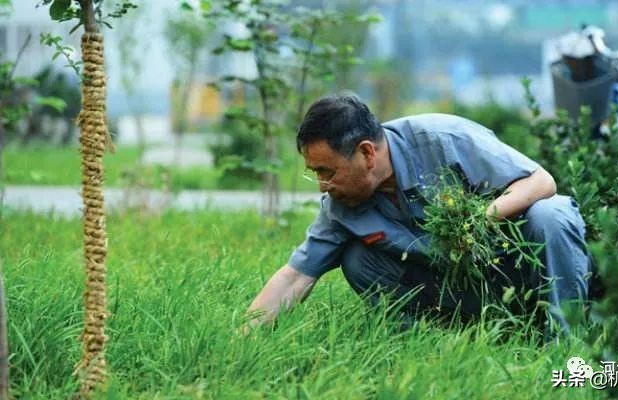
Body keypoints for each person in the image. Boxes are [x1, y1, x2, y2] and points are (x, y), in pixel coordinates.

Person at [243, 92, 591, 334]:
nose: (322, 185)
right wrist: (243, 335)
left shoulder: (443, 138)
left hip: (515, 275)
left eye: (326, 171)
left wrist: (479, 219)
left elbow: (542, 181)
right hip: (459, 297)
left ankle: (565, 343)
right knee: (357, 260)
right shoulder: (341, 205)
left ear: (366, 153)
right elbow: (295, 277)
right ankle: (441, 343)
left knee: (552, 214)